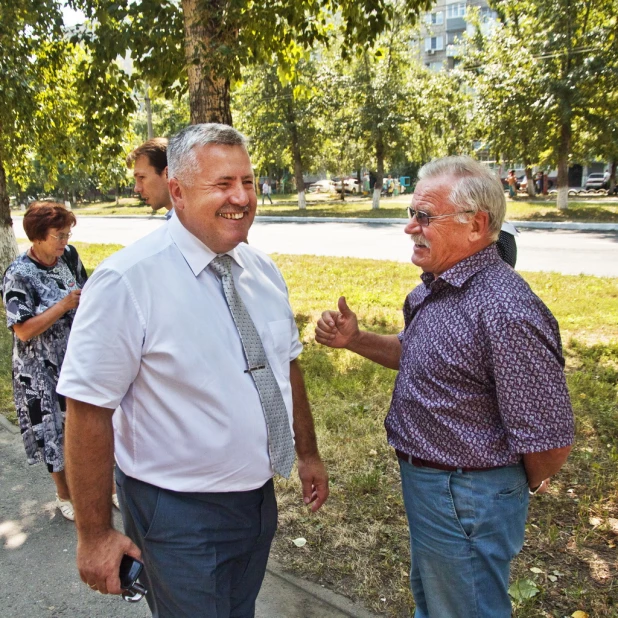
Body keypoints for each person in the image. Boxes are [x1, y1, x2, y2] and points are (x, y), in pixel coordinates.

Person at [58, 123, 328, 617]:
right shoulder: (127, 280)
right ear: (177, 192)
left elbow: (286, 368)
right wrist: (94, 535)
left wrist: (307, 453)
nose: (241, 197)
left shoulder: (262, 271)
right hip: (176, 513)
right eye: (222, 184)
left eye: (247, 182)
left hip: (256, 500)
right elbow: (87, 408)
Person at [315, 156, 573, 618]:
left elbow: (550, 443)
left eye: (425, 216)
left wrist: (501, 486)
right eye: (412, 213)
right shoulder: (436, 288)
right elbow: (416, 354)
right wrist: (353, 339)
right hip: (439, 489)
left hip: (468, 496)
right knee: (438, 605)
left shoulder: (506, 310)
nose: (410, 227)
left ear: (476, 225)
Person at [2, 202, 90, 521]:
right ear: (38, 236)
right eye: (59, 235)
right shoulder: (18, 274)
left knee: (86, 426)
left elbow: (85, 291)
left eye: (68, 233)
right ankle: (64, 494)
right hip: (37, 370)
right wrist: (64, 305)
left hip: (74, 360)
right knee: (50, 431)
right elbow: (23, 330)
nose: (65, 240)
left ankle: (103, 489)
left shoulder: (68, 256)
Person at [126, 137, 174, 219]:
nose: (136, 189)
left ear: (168, 174)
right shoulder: (179, 222)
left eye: (141, 177)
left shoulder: (192, 227)